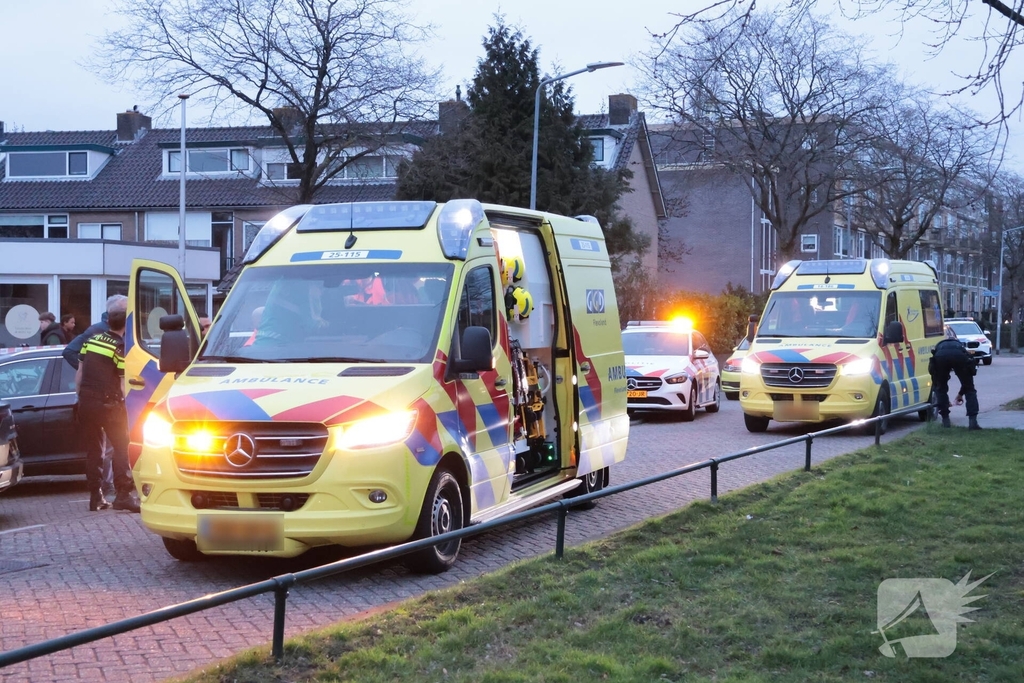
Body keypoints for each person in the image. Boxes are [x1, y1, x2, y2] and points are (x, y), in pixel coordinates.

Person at [74, 295, 139, 512]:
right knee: (122, 447)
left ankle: (96, 497)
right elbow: (122, 384)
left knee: (94, 451)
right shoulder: (120, 347)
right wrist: (128, 406)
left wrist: (81, 398)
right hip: (109, 405)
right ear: (126, 325)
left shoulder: (91, 341)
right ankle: (123, 495)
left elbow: (80, 373)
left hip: (87, 402)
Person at [929, 332, 981, 430]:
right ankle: (972, 423)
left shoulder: (939, 347)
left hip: (940, 357)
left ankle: (946, 421)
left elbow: (936, 381)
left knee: (940, 388)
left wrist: (943, 398)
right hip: (959, 355)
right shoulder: (960, 347)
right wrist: (961, 394)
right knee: (970, 389)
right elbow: (967, 382)